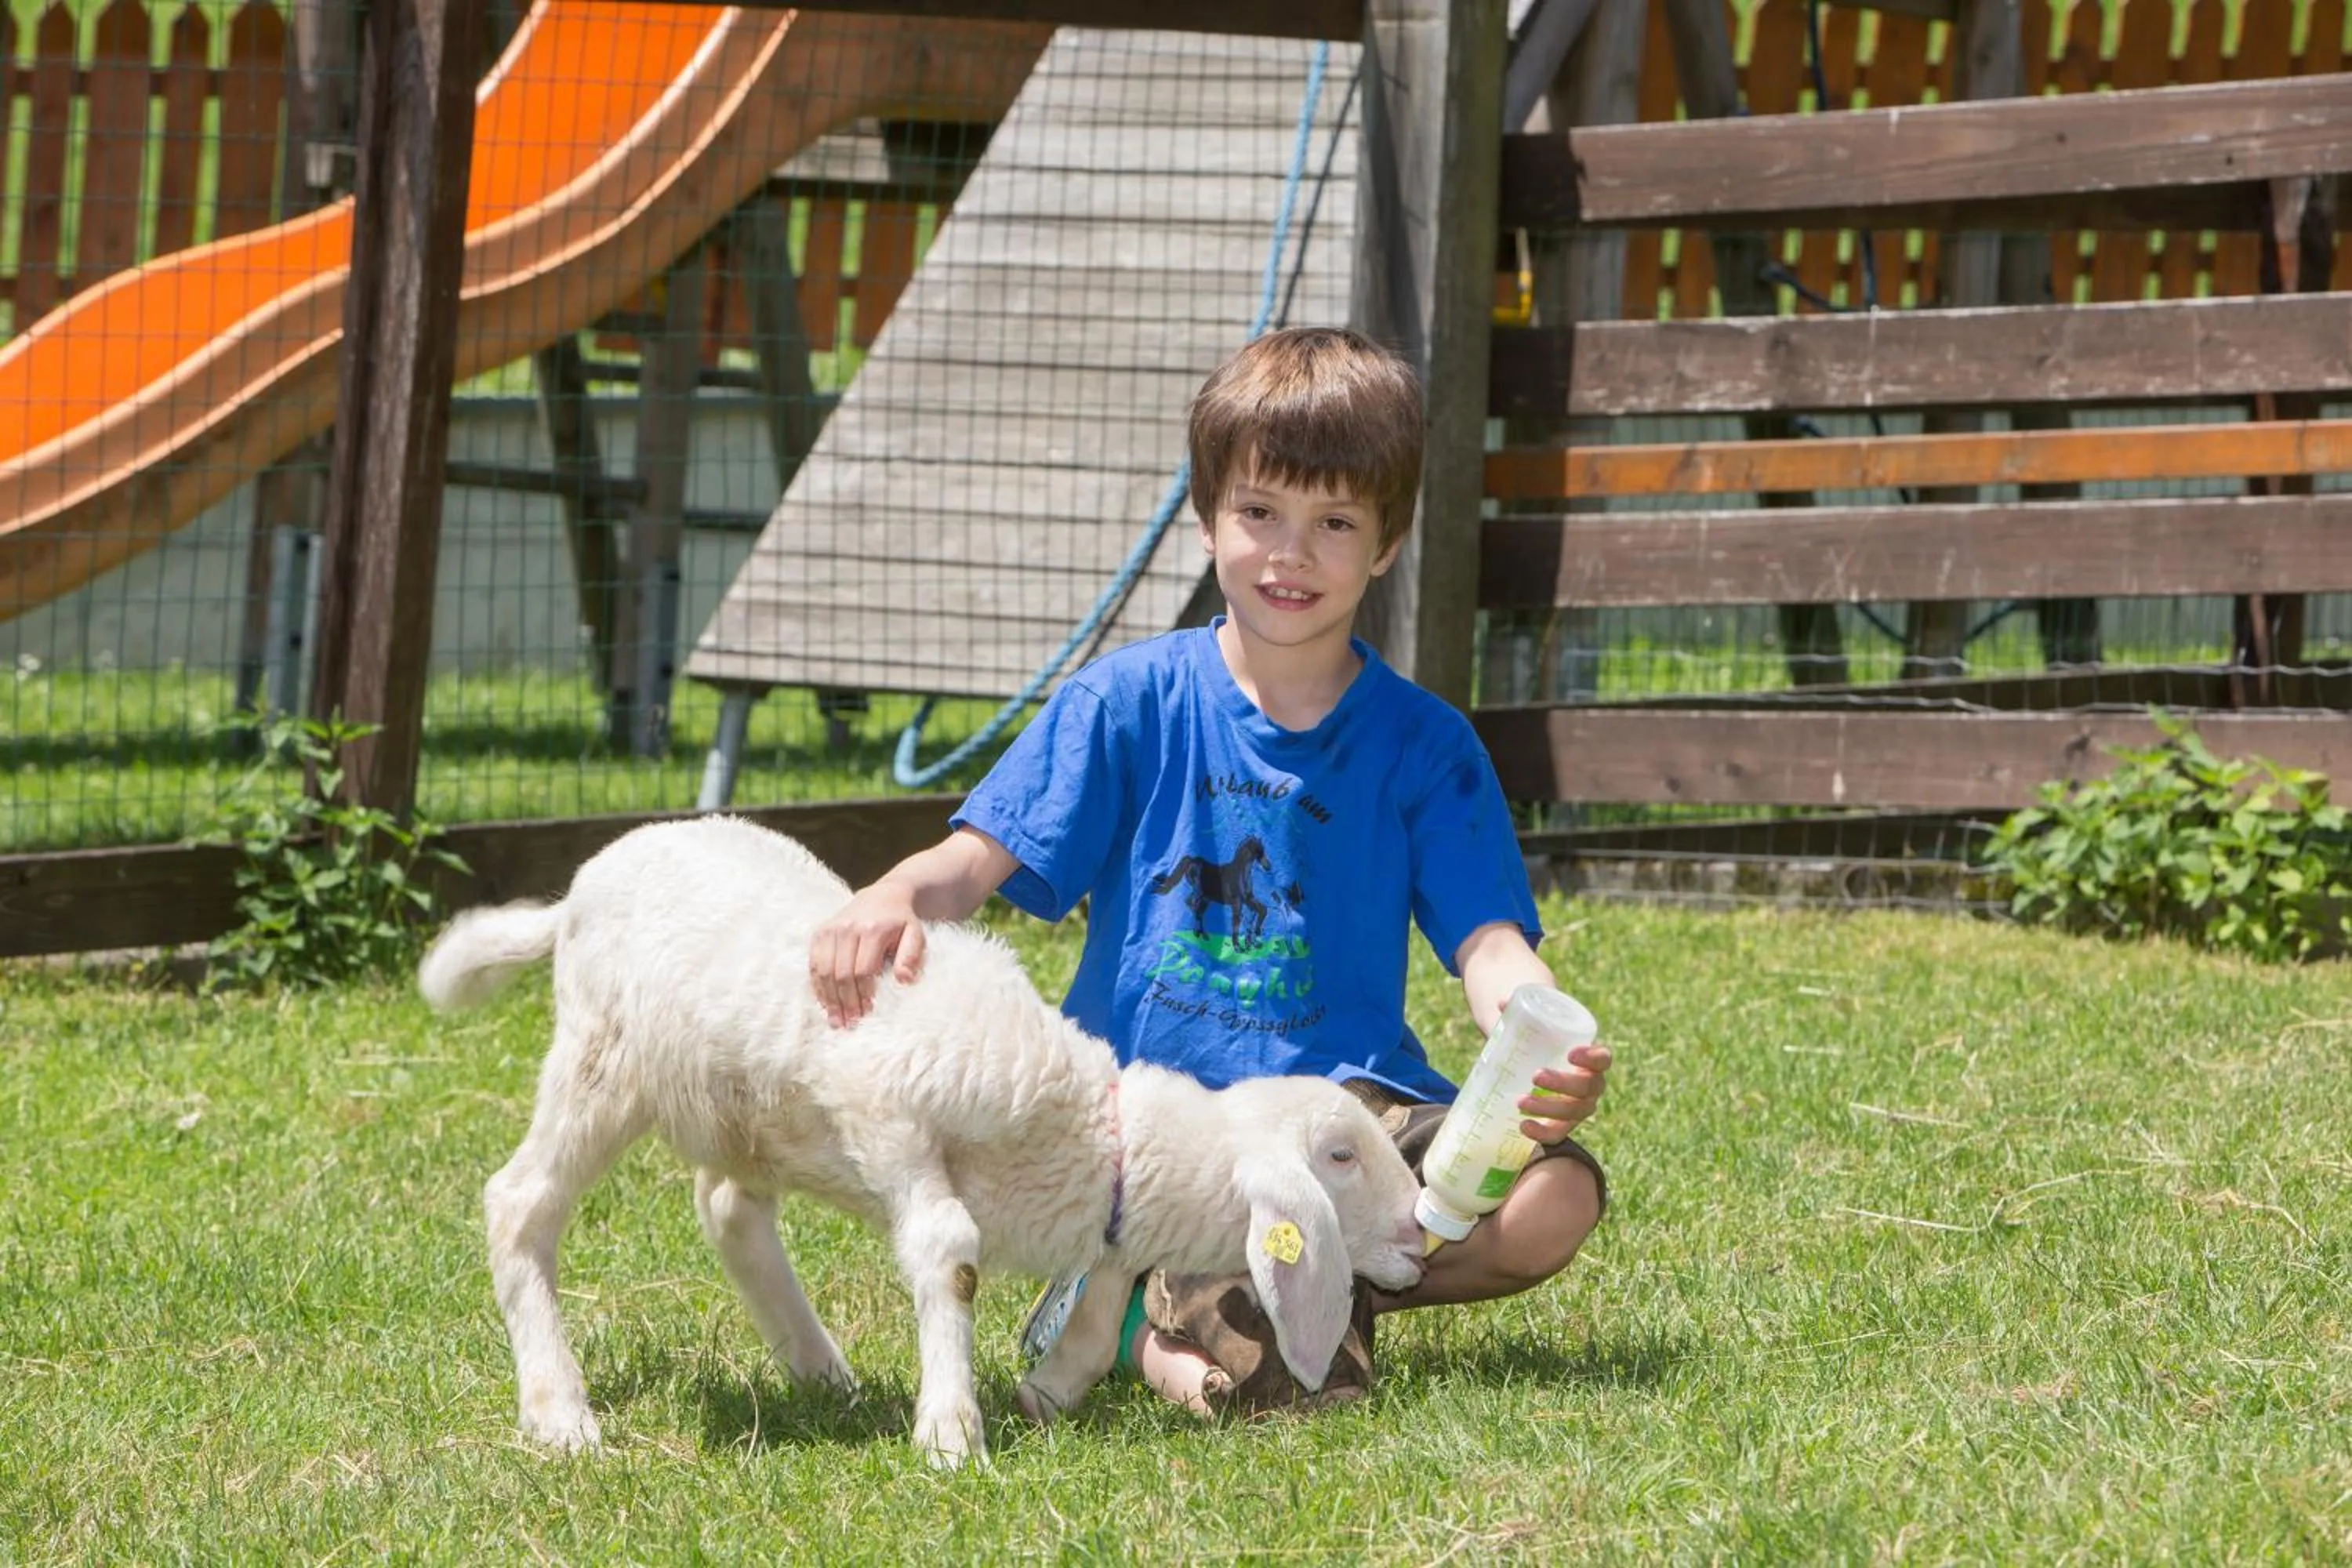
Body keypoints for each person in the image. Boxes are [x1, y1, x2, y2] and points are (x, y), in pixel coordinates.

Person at [808, 325, 1611, 1415]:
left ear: (1386, 544)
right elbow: (976, 859)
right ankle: (1148, 1315)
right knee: (1276, 1392)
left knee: (1554, 1199)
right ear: (1205, 518)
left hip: (1344, 1113)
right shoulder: (1122, 705)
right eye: (1261, 514)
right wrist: (899, 891)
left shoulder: (1425, 745)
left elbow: (1488, 942)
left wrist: (1536, 1033)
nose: (1293, 554)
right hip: (1167, 1131)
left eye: (1335, 523)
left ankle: (1216, 1282)